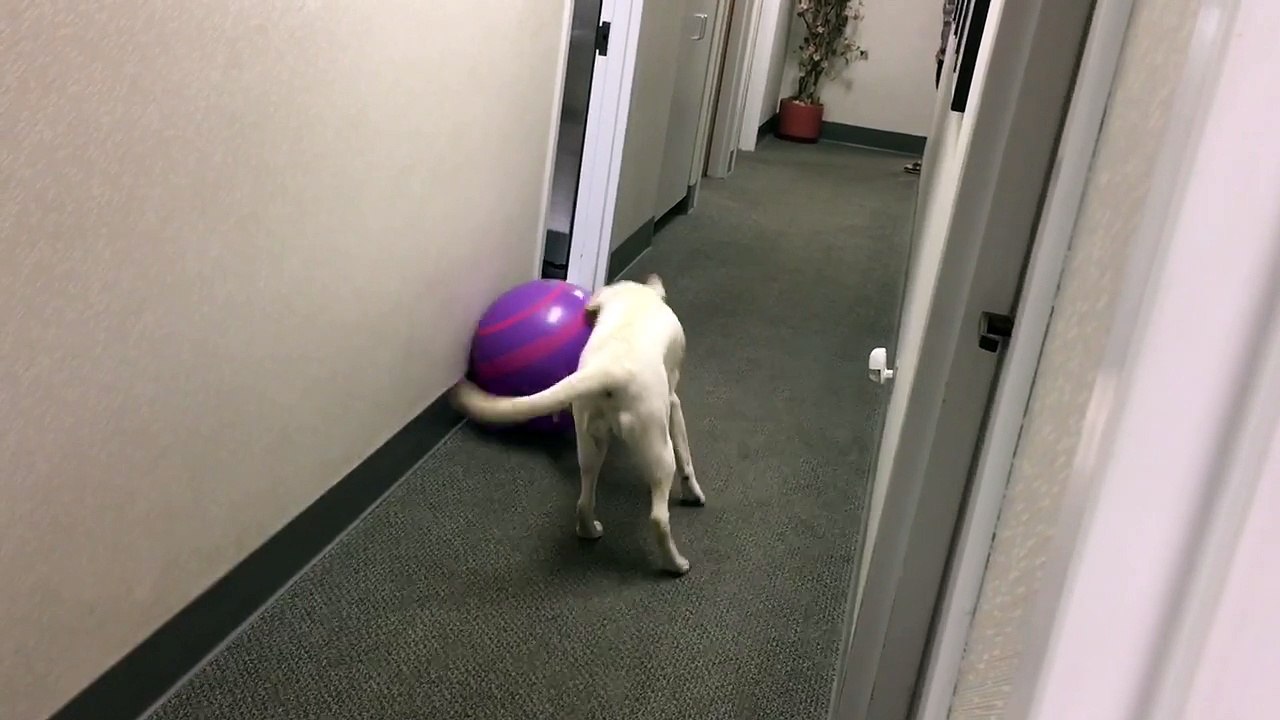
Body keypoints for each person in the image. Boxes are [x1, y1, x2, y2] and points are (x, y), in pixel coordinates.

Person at [905, 0, 958, 175]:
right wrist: (942, 48)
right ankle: (933, 160)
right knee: (942, 111)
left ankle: (937, 163)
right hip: (945, 56)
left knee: (948, 112)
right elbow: (949, 22)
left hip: (952, 58)